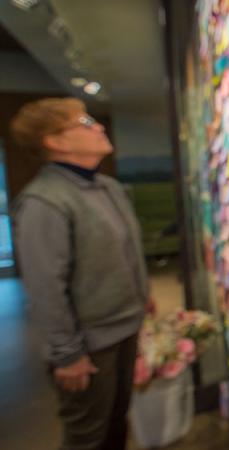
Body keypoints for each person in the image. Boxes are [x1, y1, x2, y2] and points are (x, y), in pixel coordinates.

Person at [10, 97, 149, 450]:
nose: (99, 126)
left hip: (125, 328)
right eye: (85, 123)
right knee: (88, 437)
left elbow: (123, 253)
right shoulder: (45, 202)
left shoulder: (109, 188)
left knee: (117, 423)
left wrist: (142, 296)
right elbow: (45, 288)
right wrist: (67, 354)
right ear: (54, 141)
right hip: (90, 344)